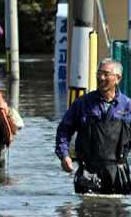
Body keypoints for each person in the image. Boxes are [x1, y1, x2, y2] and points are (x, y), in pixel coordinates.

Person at [55, 58, 131, 194]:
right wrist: (64, 155)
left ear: (118, 78)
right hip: (88, 173)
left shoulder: (128, 106)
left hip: (119, 175)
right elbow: (64, 131)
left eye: (106, 74)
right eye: (99, 73)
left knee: (118, 212)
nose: (101, 77)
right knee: (88, 210)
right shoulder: (82, 103)